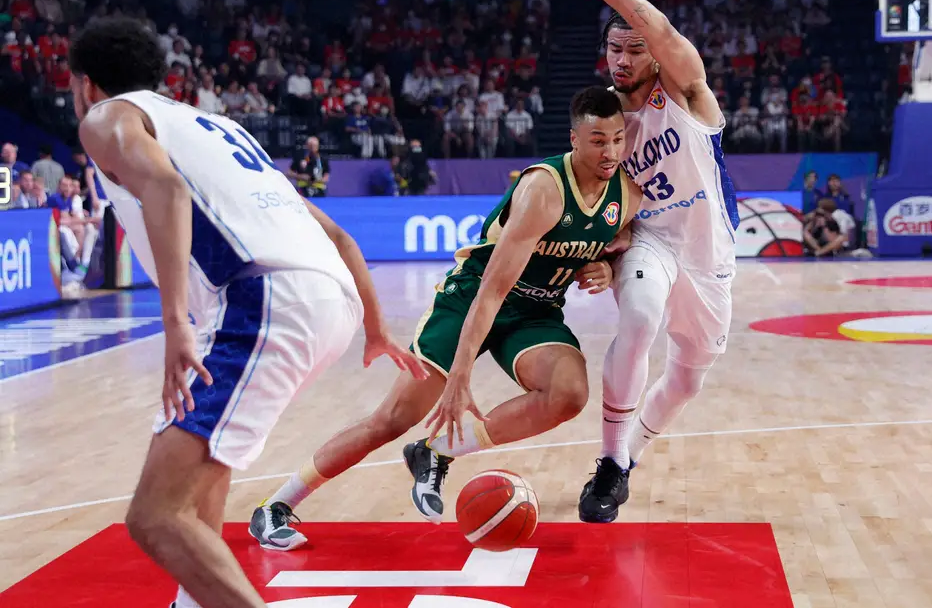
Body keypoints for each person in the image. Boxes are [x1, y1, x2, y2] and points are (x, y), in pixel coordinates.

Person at [69, 17, 423, 608]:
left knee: (155, 514)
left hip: (264, 298)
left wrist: (176, 323)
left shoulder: (107, 118)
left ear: (84, 85)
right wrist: (375, 327)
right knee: (202, 478)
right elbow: (337, 235)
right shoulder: (214, 125)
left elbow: (167, 190)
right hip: (320, 299)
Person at [249, 86, 643, 549]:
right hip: (473, 297)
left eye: (618, 139)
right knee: (393, 418)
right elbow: (493, 288)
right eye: (598, 140)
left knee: (569, 393)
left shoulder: (627, 195)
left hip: (534, 309)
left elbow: (620, 237)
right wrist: (459, 376)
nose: (610, 151)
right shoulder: (544, 189)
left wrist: (606, 265)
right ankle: (276, 505)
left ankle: (436, 453)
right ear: (574, 139)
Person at [542, 0, 738, 523]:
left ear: (651, 54)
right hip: (651, 243)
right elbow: (594, 209)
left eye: (634, 48)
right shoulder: (604, 124)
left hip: (709, 254)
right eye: (614, 49)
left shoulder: (686, 92)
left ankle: (626, 459)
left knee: (687, 381)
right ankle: (607, 462)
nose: (623, 59)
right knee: (641, 314)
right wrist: (598, 256)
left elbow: (668, 36)